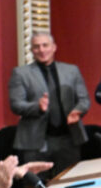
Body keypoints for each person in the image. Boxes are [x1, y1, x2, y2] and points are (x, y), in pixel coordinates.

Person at [9, 31, 90, 178]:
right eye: (36, 47)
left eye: (45, 45)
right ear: (32, 50)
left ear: (54, 47)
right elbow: (16, 104)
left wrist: (77, 111)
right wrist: (37, 107)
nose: (41, 50)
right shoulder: (20, 73)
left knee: (69, 183)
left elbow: (84, 100)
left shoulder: (71, 70)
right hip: (35, 141)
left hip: (68, 139)